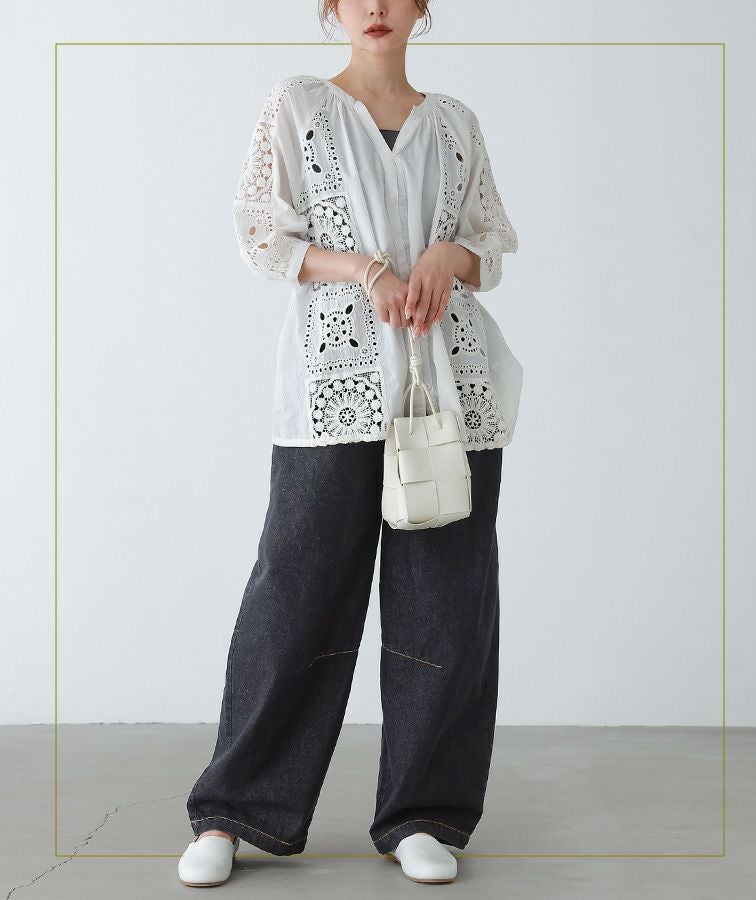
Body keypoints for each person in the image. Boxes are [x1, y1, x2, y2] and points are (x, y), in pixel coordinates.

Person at [178, 0, 521, 887]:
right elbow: (263, 232)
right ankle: (232, 812)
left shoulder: (455, 124)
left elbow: (490, 242)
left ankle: (423, 815)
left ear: (422, 7)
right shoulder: (299, 106)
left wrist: (447, 256)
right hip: (335, 389)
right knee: (294, 595)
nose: (375, 7)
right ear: (331, 7)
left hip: (448, 390)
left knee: (446, 602)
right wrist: (365, 268)